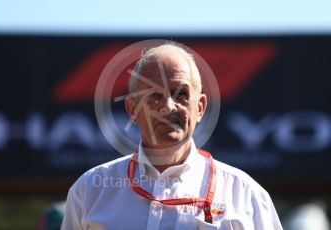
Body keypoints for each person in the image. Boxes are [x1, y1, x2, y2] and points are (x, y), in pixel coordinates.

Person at [61, 42, 283, 230]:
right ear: (132, 110)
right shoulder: (89, 191)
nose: (168, 107)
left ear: (200, 107)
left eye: (181, 94)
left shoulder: (247, 196)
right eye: (154, 95)